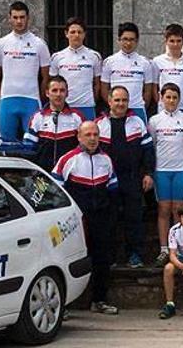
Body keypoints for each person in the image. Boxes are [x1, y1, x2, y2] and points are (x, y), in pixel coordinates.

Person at [51, 121, 119, 315]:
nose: (92, 138)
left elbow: (113, 190)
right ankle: (62, 305)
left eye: (95, 135)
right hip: (74, 220)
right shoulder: (67, 159)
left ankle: (99, 300)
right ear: (78, 137)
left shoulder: (106, 159)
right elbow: (53, 191)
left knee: (101, 258)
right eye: (87, 135)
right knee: (67, 258)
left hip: (100, 217)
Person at [96, 86, 155, 269]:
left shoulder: (137, 122)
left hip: (132, 178)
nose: (121, 104)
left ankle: (135, 255)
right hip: (108, 182)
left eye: (124, 100)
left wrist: (148, 173)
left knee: (134, 219)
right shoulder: (99, 124)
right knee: (109, 220)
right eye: (117, 100)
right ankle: (111, 257)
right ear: (109, 100)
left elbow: (147, 150)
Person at [148, 83, 183, 267]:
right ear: (161, 97)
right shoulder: (154, 121)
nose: (171, 100)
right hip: (161, 171)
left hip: (181, 171)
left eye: (175, 97)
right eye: (168, 97)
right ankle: (164, 249)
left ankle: (179, 248)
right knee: (163, 210)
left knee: (179, 211)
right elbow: (152, 145)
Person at [0, 1, 51, 142]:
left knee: (32, 143)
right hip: (7, 101)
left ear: (28, 18)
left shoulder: (39, 44)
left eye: (22, 17)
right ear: (9, 18)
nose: (19, 21)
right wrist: (3, 95)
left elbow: (46, 77)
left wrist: (40, 96)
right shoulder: (1, 44)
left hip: (32, 101)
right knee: (6, 143)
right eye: (15, 17)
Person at [24, 75, 84, 172]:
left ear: (67, 93)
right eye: (54, 90)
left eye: (62, 90)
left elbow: (83, 149)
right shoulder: (37, 117)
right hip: (42, 175)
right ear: (47, 93)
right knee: (41, 188)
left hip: (70, 172)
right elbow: (28, 149)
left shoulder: (77, 117)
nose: (58, 94)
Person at [101, 22, 156, 122]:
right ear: (118, 40)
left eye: (132, 40)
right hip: (116, 109)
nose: (128, 43)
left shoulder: (145, 62)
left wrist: (141, 104)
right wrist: (114, 104)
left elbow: (148, 91)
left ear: (137, 41)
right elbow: (104, 88)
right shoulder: (109, 62)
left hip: (137, 109)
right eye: (125, 39)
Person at [49, 17, 101, 121]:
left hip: (87, 107)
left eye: (79, 32)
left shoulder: (94, 56)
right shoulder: (57, 57)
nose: (76, 35)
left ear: (84, 34)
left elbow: (97, 84)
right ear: (66, 34)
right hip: (64, 106)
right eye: (72, 32)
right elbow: (52, 84)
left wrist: (91, 100)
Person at [153, 24, 183, 117]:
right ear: (166, 41)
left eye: (178, 41)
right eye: (172, 41)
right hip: (163, 109)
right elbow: (154, 87)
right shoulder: (157, 61)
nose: (175, 44)